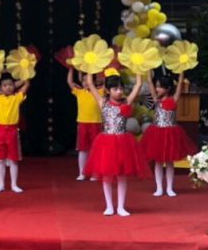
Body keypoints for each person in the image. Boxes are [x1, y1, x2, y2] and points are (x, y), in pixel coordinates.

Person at [83, 69, 149, 216]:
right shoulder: (103, 102)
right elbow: (90, 84)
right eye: (115, 89)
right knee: (107, 176)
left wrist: (138, 67)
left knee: (122, 176)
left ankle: (120, 207)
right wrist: (90, 67)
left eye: (121, 88)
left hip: (123, 143)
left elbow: (138, 85)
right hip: (107, 143)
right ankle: (109, 206)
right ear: (107, 90)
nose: (119, 92)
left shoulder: (126, 102)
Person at [142, 73, 196, 197]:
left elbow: (179, 85)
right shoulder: (156, 99)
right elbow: (149, 82)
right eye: (156, 86)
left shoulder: (174, 99)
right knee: (158, 162)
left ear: (168, 88)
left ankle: (170, 188)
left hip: (171, 134)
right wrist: (148, 73)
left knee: (170, 162)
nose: (157, 89)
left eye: (160, 87)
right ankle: (159, 188)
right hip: (157, 133)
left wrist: (181, 74)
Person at [0, 73, 29, 193]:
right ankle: (1, 184)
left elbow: (27, 83)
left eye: (10, 85)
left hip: (12, 131)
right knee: (1, 159)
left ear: (14, 86)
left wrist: (26, 71)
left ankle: (14, 184)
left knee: (13, 159)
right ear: (0, 87)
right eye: (5, 85)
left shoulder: (17, 98)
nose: (8, 87)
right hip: (0, 131)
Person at [68, 68, 104, 181]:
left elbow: (104, 81)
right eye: (83, 80)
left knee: (95, 150)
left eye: (88, 80)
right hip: (83, 124)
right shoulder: (80, 92)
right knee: (83, 150)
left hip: (96, 123)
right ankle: (82, 173)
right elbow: (69, 82)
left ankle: (95, 173)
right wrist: (70, 68)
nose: (86, 82)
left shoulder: (100, 92)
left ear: (94, 81)